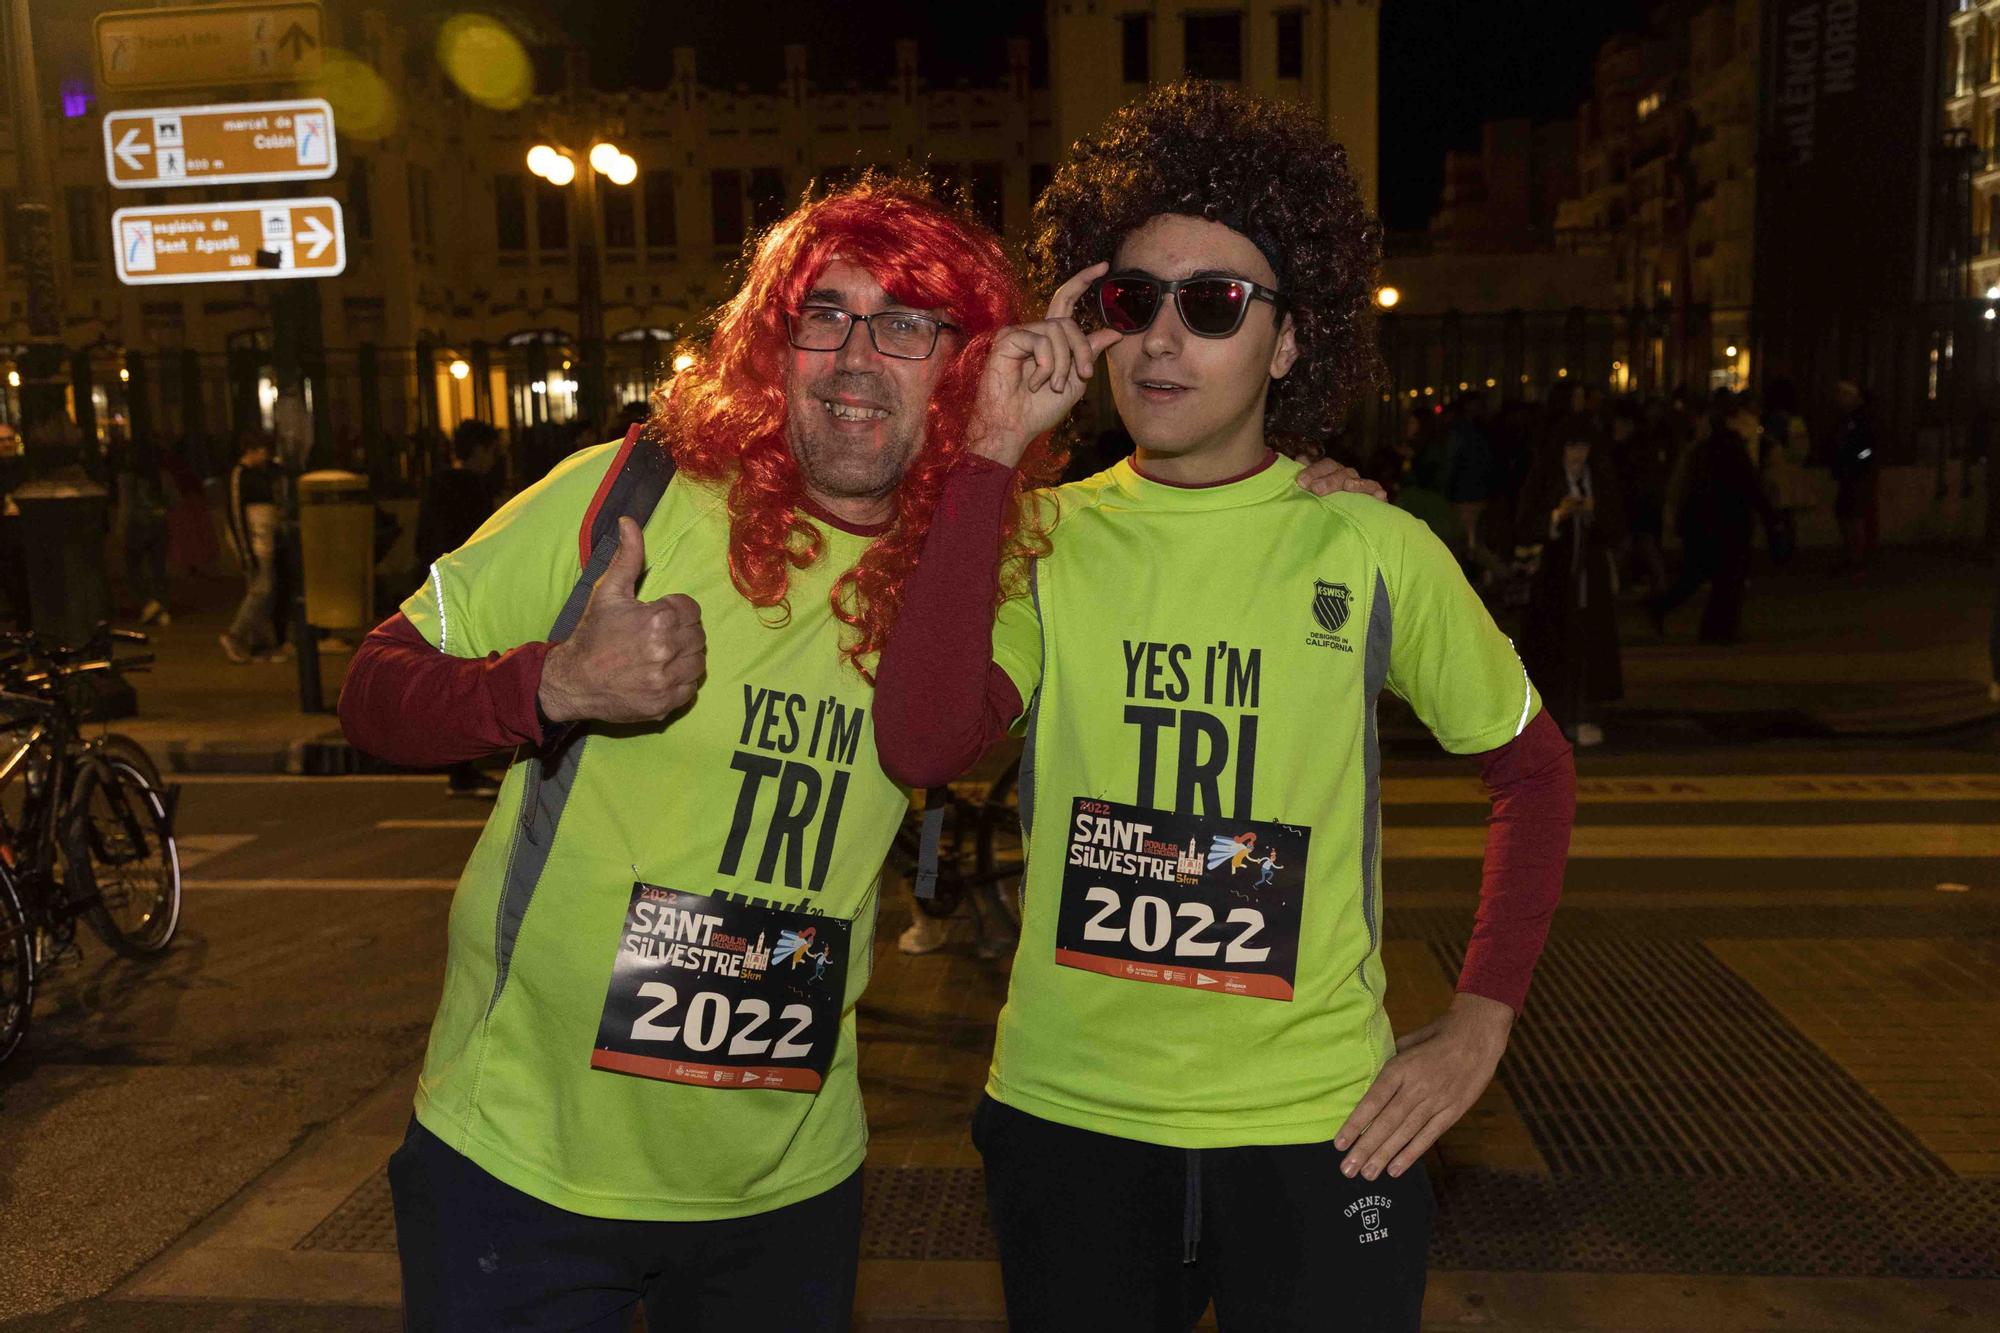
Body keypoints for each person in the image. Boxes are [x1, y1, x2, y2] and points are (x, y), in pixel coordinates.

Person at [336, 172, 1390, 1330]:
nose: (852, 359)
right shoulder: (630, 496)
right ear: (769, 347)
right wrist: (551, 683)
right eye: (822, 318)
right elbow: (372, 691)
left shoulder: (989, 566)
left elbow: (1171, 563)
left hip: (781, 1192)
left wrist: (1314, 506)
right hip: (515, 1168)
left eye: (903, 328)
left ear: (961, 369)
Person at [872, 82, 1575, 1333]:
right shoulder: (1040, 534)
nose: (1159, 341)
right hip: (1071, 1122)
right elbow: (923, 741)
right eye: (1131, 301)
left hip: (1319, 1131)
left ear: (1290, 342)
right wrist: (987, 452)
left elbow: (1531, 771)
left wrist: (1479, 1021)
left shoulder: (1370, 545)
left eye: (1212, 306)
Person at [1517, 420, 1625, 746]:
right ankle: (1552, 721)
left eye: (1583, 448)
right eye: (1571, 448)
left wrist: (1593, 511)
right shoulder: (1545, 481)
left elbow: (1617, 525)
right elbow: (1524, 526)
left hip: (1589, 584)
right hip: (1552, 584)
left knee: (1588, 648)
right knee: (1552, 650)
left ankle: (1581, 716)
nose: (1578, 455)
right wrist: (1556, 517)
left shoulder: (1599, 481)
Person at [415, 420, 504, 797]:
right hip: (466, 591)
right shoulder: (473, 489)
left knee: (451, 676)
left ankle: (460, 768)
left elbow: (424, 539)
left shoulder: (435, 485)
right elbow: (480, 542)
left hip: (435, 588)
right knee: (466, 678)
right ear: (481, 451)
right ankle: (462, 771)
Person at [1651, 392, 1773, 644]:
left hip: (1708, 519)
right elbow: (1748, 483)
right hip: (1728, 519)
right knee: (1728, 576)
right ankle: (1717, 628)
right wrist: (1767, 514)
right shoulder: (1728, 445)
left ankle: (1704, 623)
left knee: (1706, 574)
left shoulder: (1706, 448)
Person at [219, 430, 284, 663]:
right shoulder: (239, 475)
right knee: (261, 590)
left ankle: (260, 644)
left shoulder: (259, 475)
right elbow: (235, 515)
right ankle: (235, 635)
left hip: (263, 542)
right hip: (254, 545)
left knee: (263, 592)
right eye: (263, 452)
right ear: (251, 451)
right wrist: (245, 552)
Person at [117, 435, 175, 626]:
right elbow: (174, 500)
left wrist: (121, 529)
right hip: (160, 524)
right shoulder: (162, 475)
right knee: (158, 568)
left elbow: (126, 505)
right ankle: (161, 607)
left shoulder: (128, 476)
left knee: (132, 569)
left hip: (138, 525)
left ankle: (149, 602)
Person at [1830, 379, 1879, 572]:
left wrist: (1856, 461)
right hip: (1852, 472)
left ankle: (1855, 557)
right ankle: (1853, 555)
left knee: (1852, 514)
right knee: (1847, 514)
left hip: (1857, 473)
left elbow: (1869, 448)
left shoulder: (1861, 419)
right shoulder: (1851, 419)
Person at [0, 422, 28, 629]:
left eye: (10, 439)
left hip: (24, 532)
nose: (7, 444)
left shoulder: (25, 467)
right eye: (2, 440)